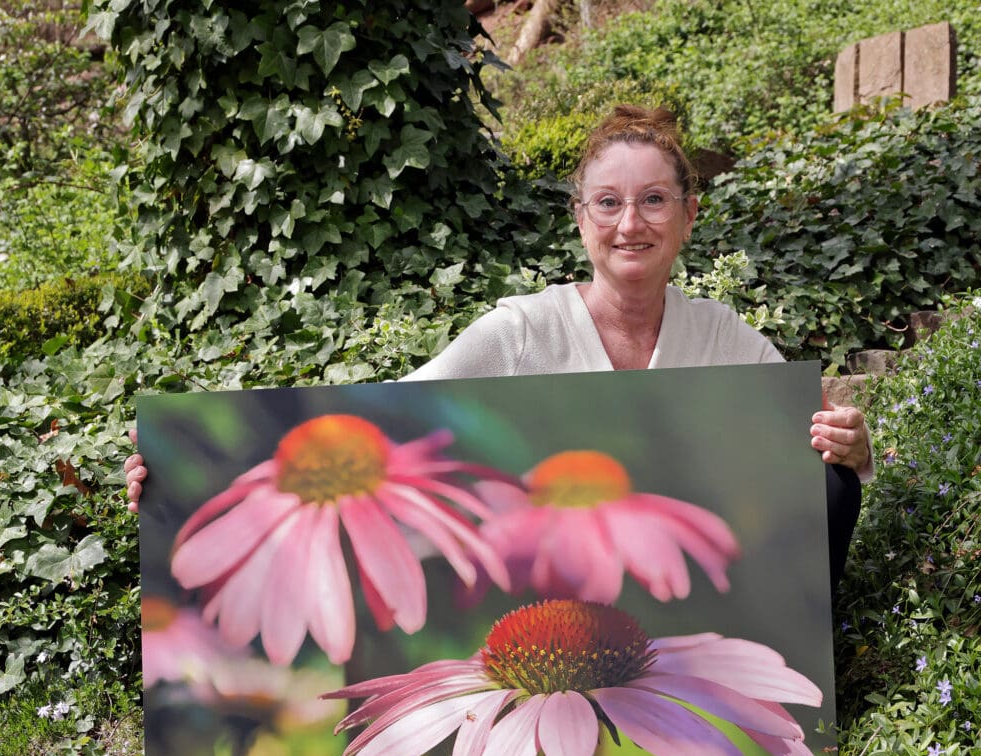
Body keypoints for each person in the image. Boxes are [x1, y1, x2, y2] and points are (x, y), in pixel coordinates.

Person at [126, 105, 870, 589]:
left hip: (688, 585)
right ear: (579, 219)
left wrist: (850, 448)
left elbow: (809, 441)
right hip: (534, 591)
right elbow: (382, 416)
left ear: (689, 216)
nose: (629, 224)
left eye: (653, 200)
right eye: (608, 203)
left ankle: (811, 680)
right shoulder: (520, 333)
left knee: (830, 486)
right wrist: (192, 468)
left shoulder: (722, 335)